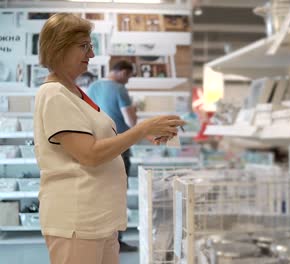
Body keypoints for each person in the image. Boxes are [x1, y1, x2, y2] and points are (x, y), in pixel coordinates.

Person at [34, 13, 185, 264]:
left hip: (98, 218)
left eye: (90, 46)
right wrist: (142, 127)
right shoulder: (54, 94)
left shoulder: (76, 92)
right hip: (77, 220)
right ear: (57, 47)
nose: (91, 55)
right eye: (84, 46)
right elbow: (90, 154)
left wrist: (144, 132)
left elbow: (98, 142)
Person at [87, 60, 138, 252]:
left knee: (98, 193)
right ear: (122, 72)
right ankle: (115, 242)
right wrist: (135, 111)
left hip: (97, 146)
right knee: (117, 195)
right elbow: (131, 122)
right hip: (119, 147)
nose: (127, 81)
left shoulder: (92, 87)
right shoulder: (119, 89)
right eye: (128, 76)